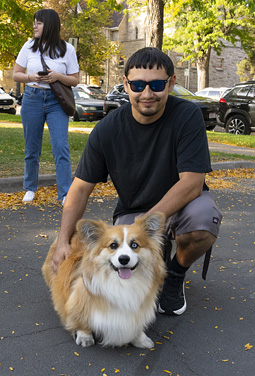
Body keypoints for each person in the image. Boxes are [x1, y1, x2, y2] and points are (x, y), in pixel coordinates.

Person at [52, 47, 222, 315]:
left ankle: (174, 276)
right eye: (138, 85)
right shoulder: (107, 129)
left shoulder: (187, 116)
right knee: (120, 264)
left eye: (156, 85)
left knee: (203, 223)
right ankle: (154, 260)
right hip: (133, 211)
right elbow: (80, 188)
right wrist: (63, 240)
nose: (146, 94)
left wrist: (146, 227)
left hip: (183, 206)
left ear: (171, 83)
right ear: (125, 84)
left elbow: (192, 182)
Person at [13, 9, 79, 205]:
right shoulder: (29, 46)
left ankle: (65, 193)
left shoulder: (67, 49)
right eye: (35, 22)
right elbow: (17, 74)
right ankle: (30, 188)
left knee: (61, 147)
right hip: (32, 98)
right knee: (32, 147)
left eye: (39, 23)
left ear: (49, 25)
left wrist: (57, 76)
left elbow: (75, 80)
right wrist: (31, 77)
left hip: (56, 101)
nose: (34, 26)